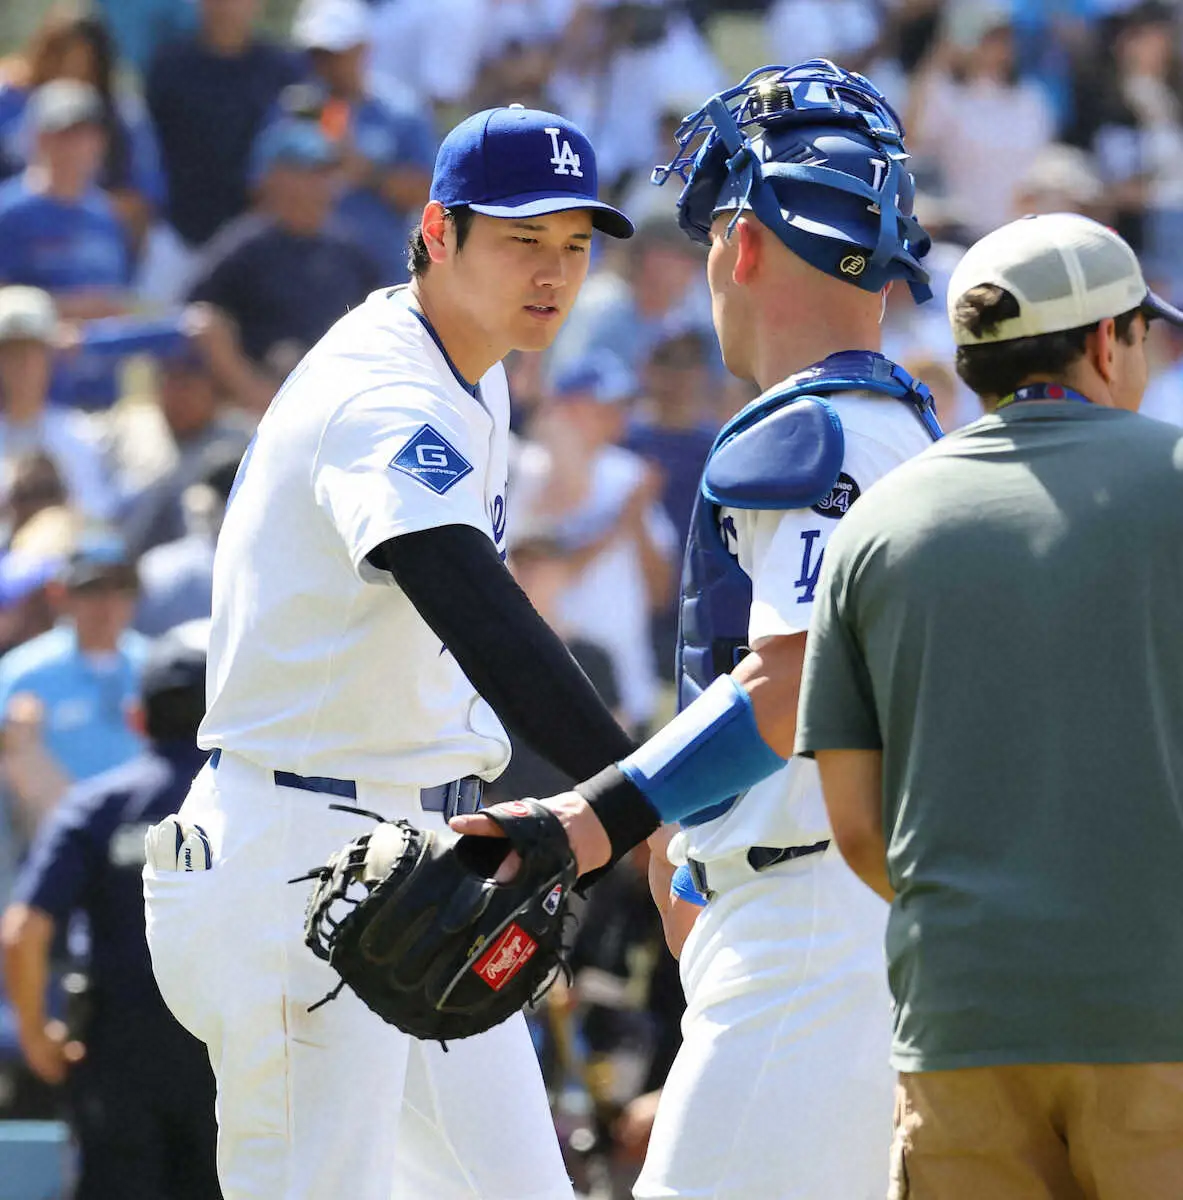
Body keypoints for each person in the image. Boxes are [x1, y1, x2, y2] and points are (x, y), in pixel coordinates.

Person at [454, 59, 942, 1199]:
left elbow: (791, 682)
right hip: (853, 914)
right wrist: (691, 850)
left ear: (744, 242)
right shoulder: (904, 429)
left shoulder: (812, 431)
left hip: (813, 928)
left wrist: (596, 817)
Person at [143, 104, 635, 1200]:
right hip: (298, 850)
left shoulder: (476, 362)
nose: (553, 272)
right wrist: (637, 791)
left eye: (573, 244)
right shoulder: (384, 388)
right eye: (522, 239)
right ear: (438, 231)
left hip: (418, 851)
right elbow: (473, 605)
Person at [794, 210, 1183, 1200]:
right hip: (1160, 1016)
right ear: (1109, 342)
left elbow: (856, 828)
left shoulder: (875, 525)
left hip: (960, 1020)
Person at [1, 620, 220, 1200]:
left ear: (136, 718)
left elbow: (24, 929)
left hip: (117, 1058)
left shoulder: (95, 807)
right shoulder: (255, 810)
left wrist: (37, 1037)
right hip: (230, 1055)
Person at [186, 118, 381, 411]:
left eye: (325, 173)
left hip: (341, 405)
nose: (319, 184)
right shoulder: (244, 248)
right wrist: (255, 394)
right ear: (271, 179)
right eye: (307, 172)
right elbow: (197, 319)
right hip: (259, 410)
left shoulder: (350, 251)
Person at [289, 0, 436, 286]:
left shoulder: (400, 112)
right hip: (305, 273)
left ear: (363, 49)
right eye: (319, 55)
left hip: (381, 268)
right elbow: (262, 184)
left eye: (336, 53)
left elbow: (427, 194)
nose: (327, 65)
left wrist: (366, 172)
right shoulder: (295, 110)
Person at [145, 0, 303, 253]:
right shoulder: (168, 65)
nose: (226, 6)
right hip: (179, 234)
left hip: (261, 235)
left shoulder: (284, 68)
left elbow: (317, 129)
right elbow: (148, 147)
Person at [0, 80, 132, 321]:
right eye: (66, 135)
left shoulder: (105, 214)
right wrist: (66, 310)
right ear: (39, 138)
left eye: (87, 136)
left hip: (101, 342)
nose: (79, 147)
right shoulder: (9, 212)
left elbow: (116, 295)